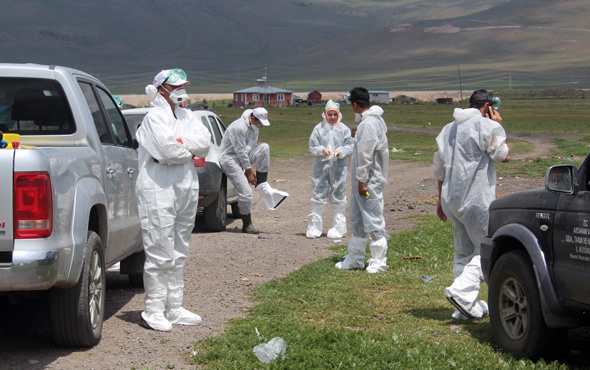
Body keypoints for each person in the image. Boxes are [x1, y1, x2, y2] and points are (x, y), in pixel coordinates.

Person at [135, 69, 212, 331]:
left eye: (184, 85)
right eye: (175, 86)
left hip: (185, 186)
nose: (181, 90)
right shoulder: (153, 118)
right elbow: (166, 151)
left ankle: (174, 306)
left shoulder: (188, 116)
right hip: (157, 187)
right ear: (161, 89)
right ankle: (154, 309)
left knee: (180, 247)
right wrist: (186, 148)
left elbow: (205, 143)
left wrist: (182, 144)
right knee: (159, 247)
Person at [434, 89, 510, 320]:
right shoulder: (485, 125)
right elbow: (503, 155)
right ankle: (461, 293)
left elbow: (439, 167)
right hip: (476, 200)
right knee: (487, 248)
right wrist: (497, 125)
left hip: (451, 199)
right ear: (487, 106)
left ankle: (463, 308)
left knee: (464, 251)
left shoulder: (448, 128)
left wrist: (439, 200)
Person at [335, 87, 390, 273]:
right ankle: (356, 258)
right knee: (357, 219)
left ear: (355, 105)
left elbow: (366, 154)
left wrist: (362, 180)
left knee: (373, 218)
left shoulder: (369, 124)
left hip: (369, 180)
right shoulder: (372, 122)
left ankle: (378, 260)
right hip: (364, 179)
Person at [220, 107, 288, 234]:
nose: (261, 126)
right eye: (260, 123)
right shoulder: (238, 128)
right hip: (230, 159)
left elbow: (249, 148)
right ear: (252, 118)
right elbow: (240, 151)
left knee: (264, 147)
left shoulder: (254, 127)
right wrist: (249, 172)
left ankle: (262, 184)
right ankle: (247, 224)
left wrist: (249, 170)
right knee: (246, 193)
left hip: (243, 155)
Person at [307, 100, 353, 239]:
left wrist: (340, 151)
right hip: (321, 166)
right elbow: (313, 146)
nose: (332, 117)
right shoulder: (318, 129)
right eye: (330, 114)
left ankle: (339, 228)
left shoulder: (344, 129)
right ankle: (315, 228)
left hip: (339, 166)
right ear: (325, 114)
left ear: (339, 115)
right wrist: (322, 150)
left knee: (339, 194)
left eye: (335, 114)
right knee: (319, 194)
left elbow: (350, 145)